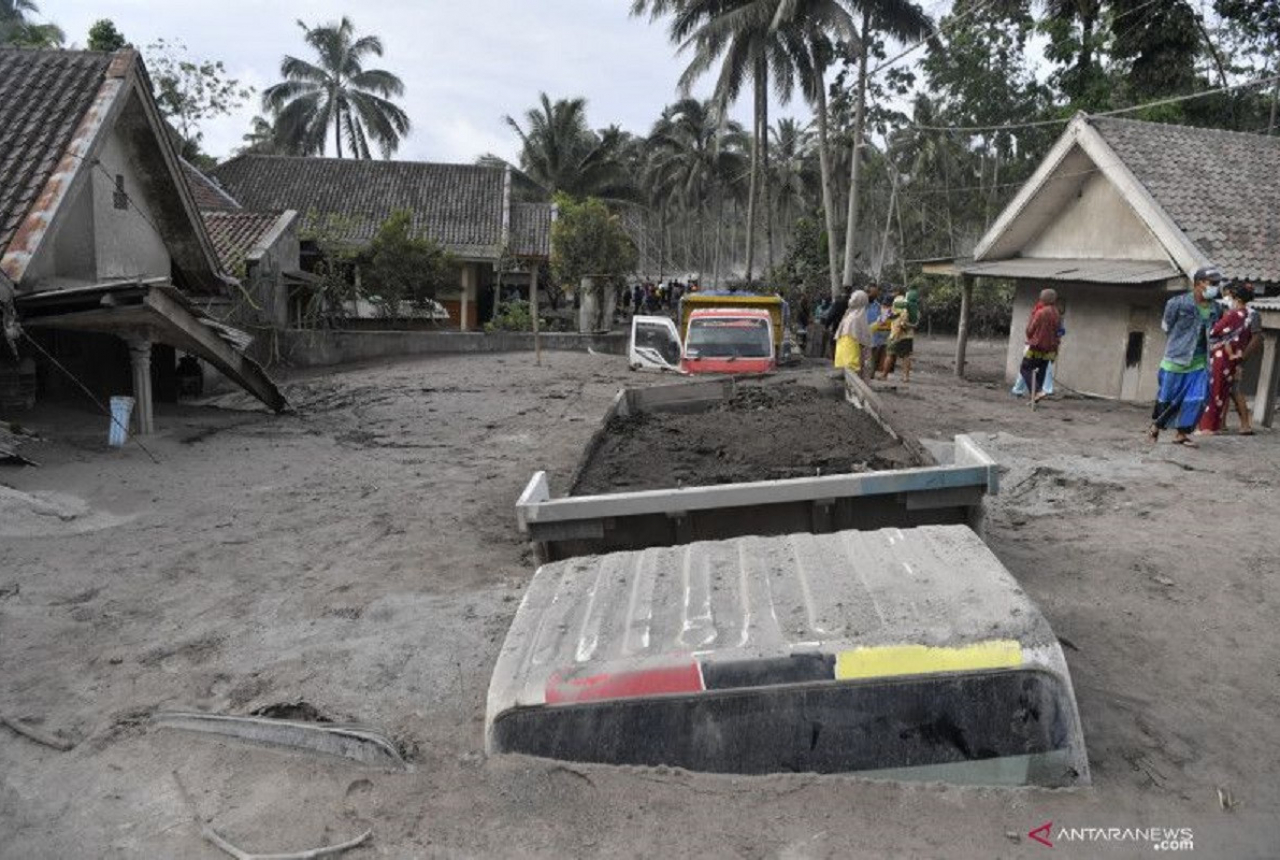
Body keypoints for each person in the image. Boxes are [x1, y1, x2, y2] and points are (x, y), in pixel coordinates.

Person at [1149, 266, 1222, 447]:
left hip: (1199, 362)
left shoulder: (1217, 308)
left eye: (1217, 284)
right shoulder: (1177, 303)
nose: (1215, 287)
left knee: (1196, 398)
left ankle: (1181, 434)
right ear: (1198, 284)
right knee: (1167, 398)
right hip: (1176, 359)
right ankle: (1156, 426)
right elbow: (1166, 326)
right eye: (1211, 283)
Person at [1198, 282, 1255, 435]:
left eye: (1229, 296)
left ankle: (1208, 427)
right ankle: (1215, 426)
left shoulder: (1233, 314)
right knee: (1221, 392)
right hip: (1233, 359)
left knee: (1214, 391)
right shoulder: (1248, 316)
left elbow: (1214, 332)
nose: (1227, 298)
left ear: (1236, 298)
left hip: (1222, 357)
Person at [1019, 289, 1061, 403]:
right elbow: (1059, 331)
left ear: (1043, 298)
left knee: (1025, 368)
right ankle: (1036, 396)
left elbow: (1030, 330)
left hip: (1037, 347)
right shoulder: (1057, 313)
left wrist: (1029, 334)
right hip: (1051, 349)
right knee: (1041, 372)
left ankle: (1037, 391)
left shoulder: (1040, 312)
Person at [882, 288, 920, 382]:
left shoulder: (899, 301)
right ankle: (906, 377)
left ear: (898, 292)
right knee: (906, 356)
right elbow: (916, 321)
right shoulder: (914, 306)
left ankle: (884, 375)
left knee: (890, 354)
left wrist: (888, 315)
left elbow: (898, 315)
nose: (892, 294)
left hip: (897, 332)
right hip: (909, 335)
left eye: (893, 291)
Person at [833, 290, 872, 375]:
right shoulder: (857, 318)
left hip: (845, 358)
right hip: (852, 359)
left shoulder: (850, 315)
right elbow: (862, 337)